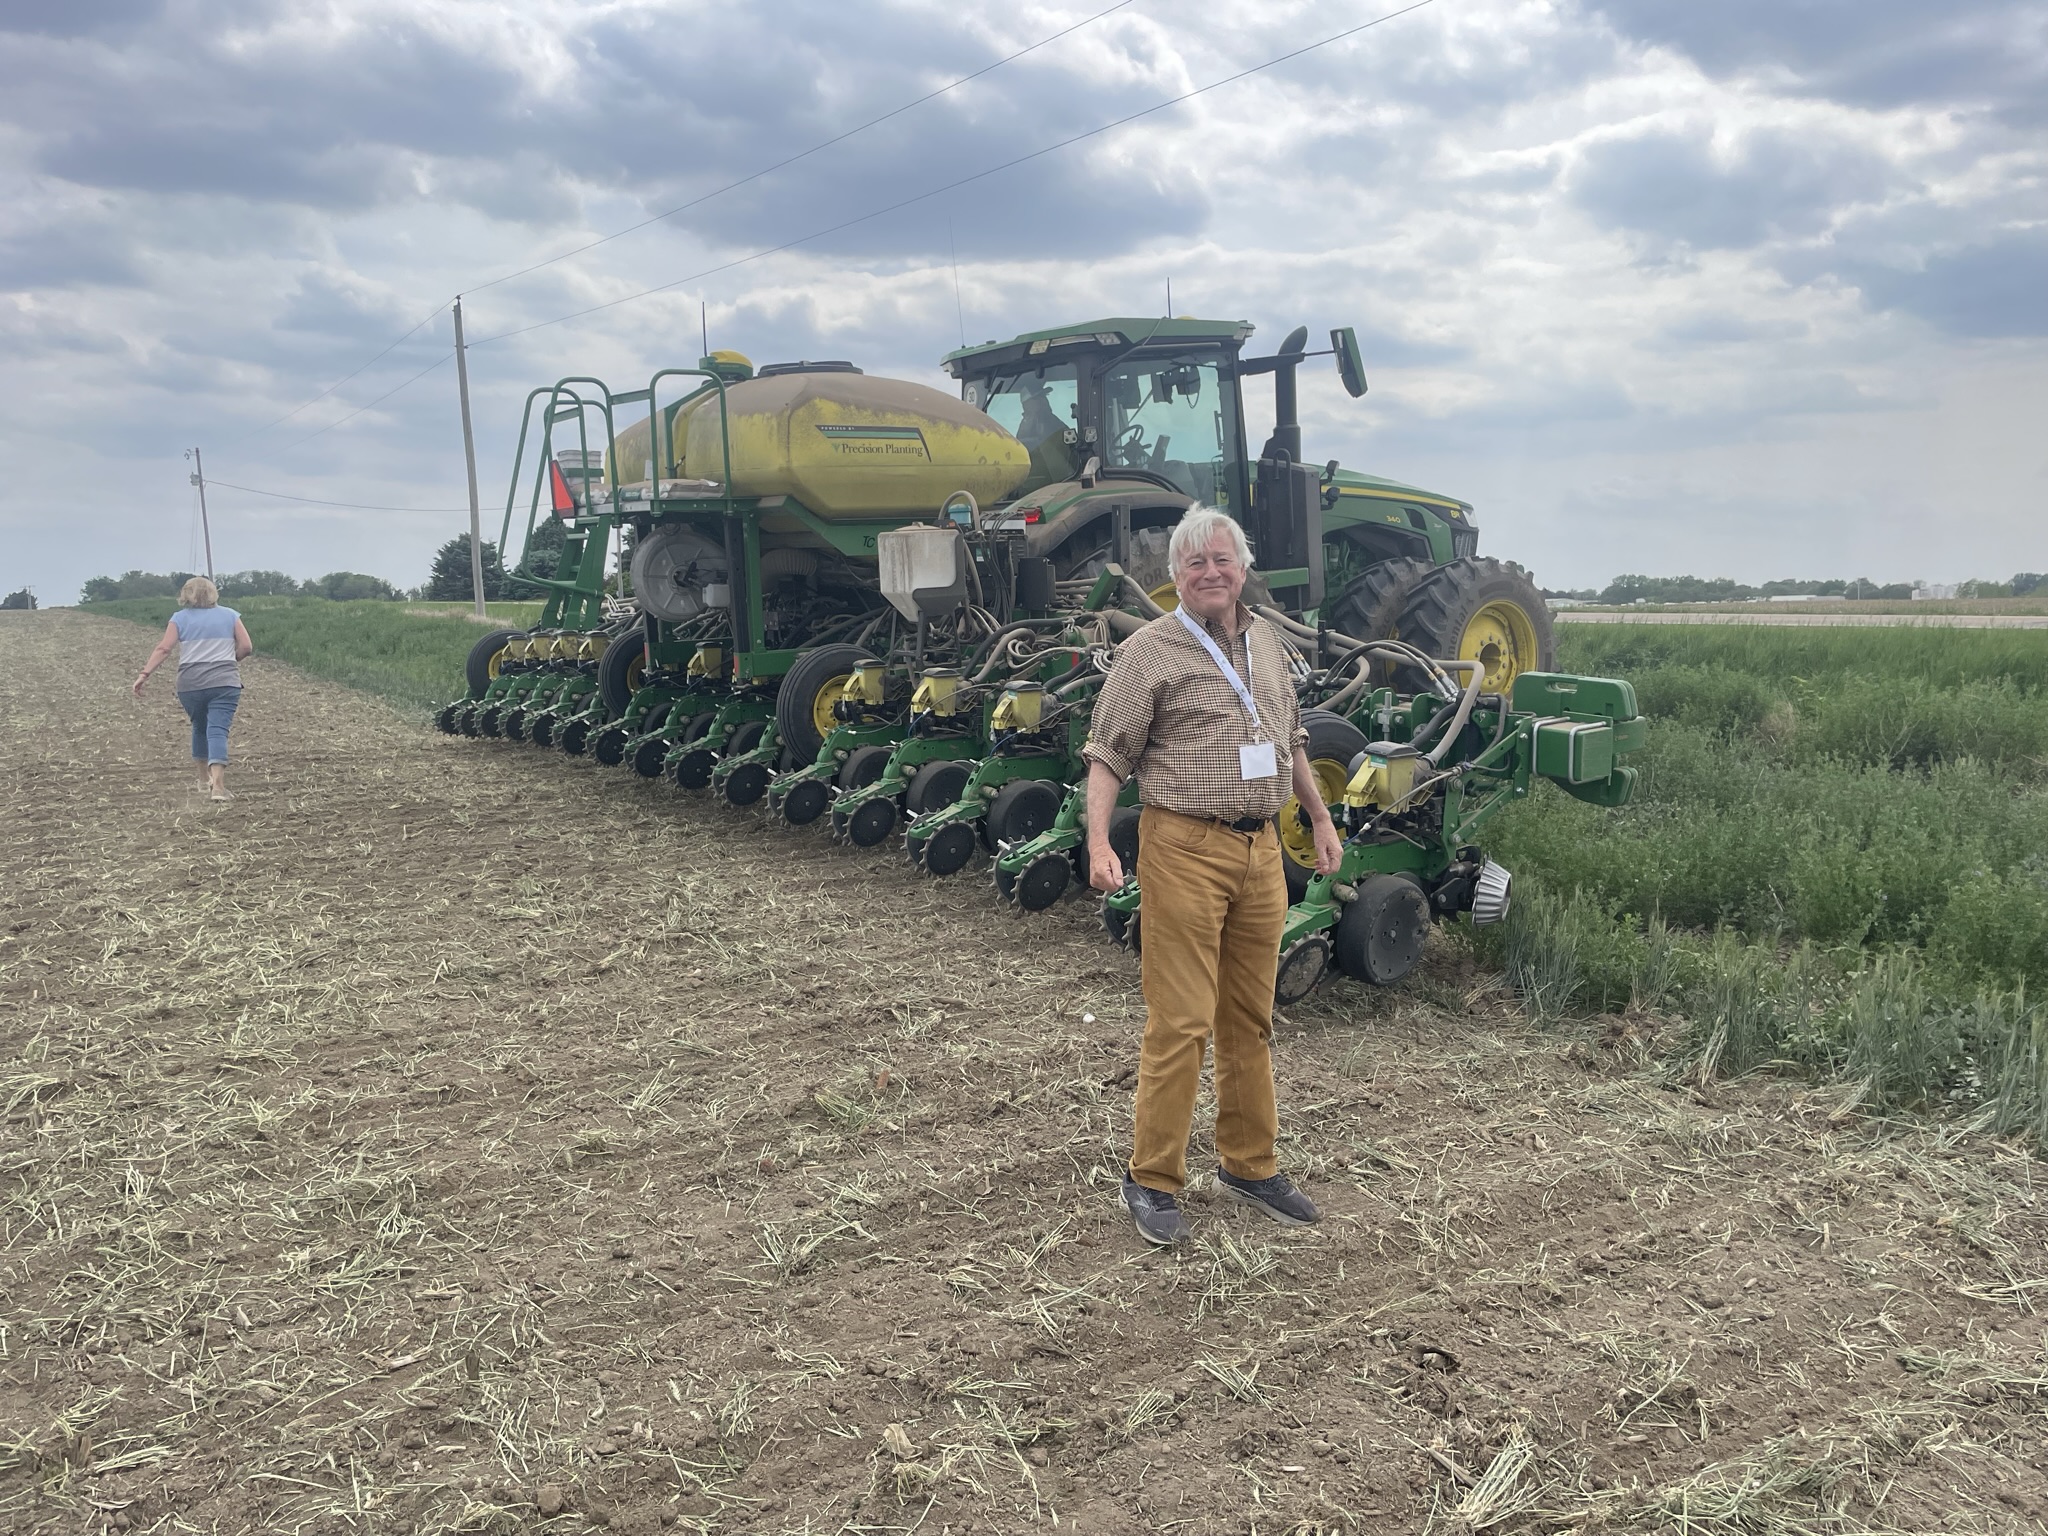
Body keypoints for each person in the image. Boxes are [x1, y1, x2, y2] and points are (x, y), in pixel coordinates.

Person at [1082, 507, 1344, 1246]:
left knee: (1249, 1020)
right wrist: (1099, 839)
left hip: (1262, 854)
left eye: (1221, 559)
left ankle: (1249, 1164)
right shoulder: (1149, 652)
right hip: (1185, 849)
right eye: (1194, 562)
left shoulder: (1264, 641)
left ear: (1241, 567)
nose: (1210, 572)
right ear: (1176, 575)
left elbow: (1290, 738)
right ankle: (1153, 1178)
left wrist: (1319, 819)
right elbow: (1107, 753)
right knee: (1182, 1019)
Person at [133, 577, 253, 801]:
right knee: (217, 730)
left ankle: (202, 780)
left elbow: (164, 648)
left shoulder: (179, 618)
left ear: (186, 594)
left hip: (190, 684)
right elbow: (246, 646)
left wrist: (144, 674)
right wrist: (230, 658)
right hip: (224, 682)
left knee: (199, 727)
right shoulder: (230, 615)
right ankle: (218, 787)